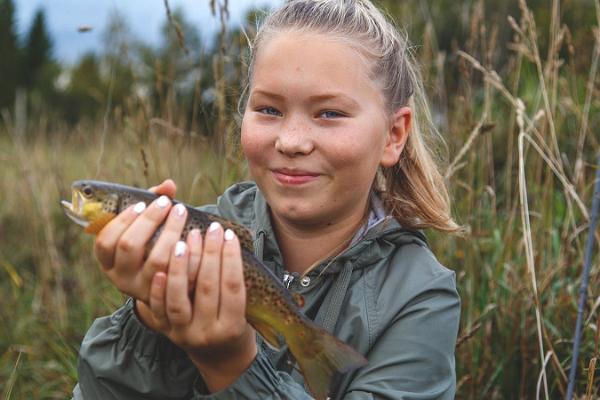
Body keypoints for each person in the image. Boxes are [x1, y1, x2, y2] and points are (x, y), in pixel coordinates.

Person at [72, 0, 461, 398]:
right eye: (269, 109)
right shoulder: (196, 240)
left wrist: (230, 364)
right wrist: (147, 324)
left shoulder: (420, 297)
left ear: (395, 135)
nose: (290, 141)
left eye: (329, 114)